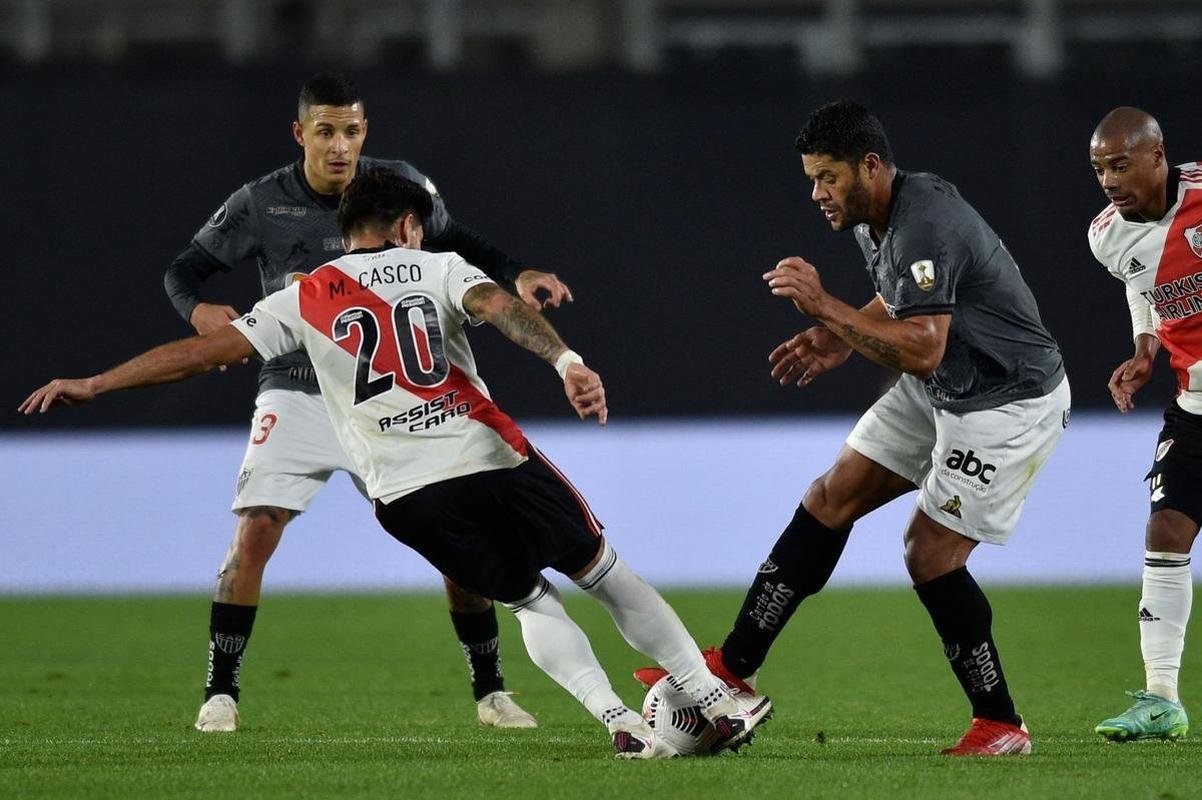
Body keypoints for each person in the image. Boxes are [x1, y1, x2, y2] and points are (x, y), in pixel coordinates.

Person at [22, 169, 773, 759]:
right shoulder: (437, 265)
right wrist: (567, 360)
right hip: (489, 455)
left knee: (527, 603)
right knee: (604, 574)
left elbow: (201, 353)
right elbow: (502, 306)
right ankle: (709, 699)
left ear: (348, 232)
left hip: (408, 495)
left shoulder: (305, 294)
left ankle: (616, 721)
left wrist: (97, 382)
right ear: (407, 226)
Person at [635, 100, 1069, 755]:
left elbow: (922, 343)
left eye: (827, 178)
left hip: (1006, 401)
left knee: (930, 553)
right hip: (943, 383)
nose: (817, 193)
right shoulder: (878, 217)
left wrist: (825, 306)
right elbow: (905, 304)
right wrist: (840, 334)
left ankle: (1002, 724)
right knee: (829, 496)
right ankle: (734, 669)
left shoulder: (927, 225)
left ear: (869, 166)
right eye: (811, 179)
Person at [163, 72, 571, 731]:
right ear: (301, 134)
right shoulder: (261, 202)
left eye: (351, 130)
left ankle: (490, 692)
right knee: (257, 526)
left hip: (388, 396)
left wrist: (516, 271)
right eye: (324, 131)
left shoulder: (394, 187)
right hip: (297, 388)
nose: (338, 146)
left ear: (364, 133)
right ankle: (221, 692)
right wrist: (199, 307)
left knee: (453, 539)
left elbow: (458, 240)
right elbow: (184, 270)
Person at [1087, 106, 1199, 742]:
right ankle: (1162, 700)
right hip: (1195, 408)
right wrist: (1146, 347)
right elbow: (1142, 283)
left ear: (1159, 158)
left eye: (1120, 165)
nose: (1108, 179)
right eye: (1100, 168)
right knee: (1165, 528)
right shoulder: (1108, 235)